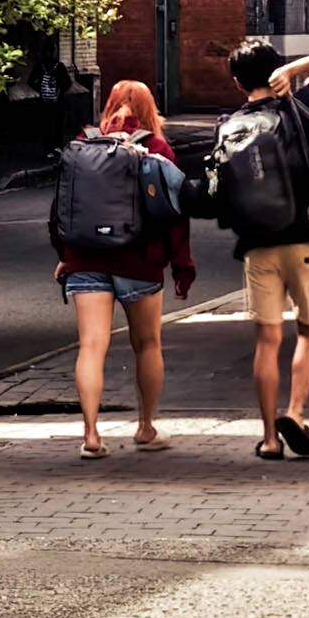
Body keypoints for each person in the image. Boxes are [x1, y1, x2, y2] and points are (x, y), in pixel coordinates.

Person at [216, 39, 309, 462]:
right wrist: (292, 72)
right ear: (277, 70)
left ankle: (270, 438)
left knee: (267, 340)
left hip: (257, 246)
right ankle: (296, 412)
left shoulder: (232, 124)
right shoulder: (299, 104)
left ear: (237, 83)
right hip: (306, 239)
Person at [54, 81, 192, 460]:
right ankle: (146, 427)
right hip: (139, 262)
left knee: (91, 346)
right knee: (147, 344)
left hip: (85, 259)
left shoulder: (83, 143)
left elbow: (62, 207)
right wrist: (181, 265)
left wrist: (66, 255)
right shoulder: (157, 149)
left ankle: (91, 434)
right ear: (150, 110)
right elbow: (175, 214)